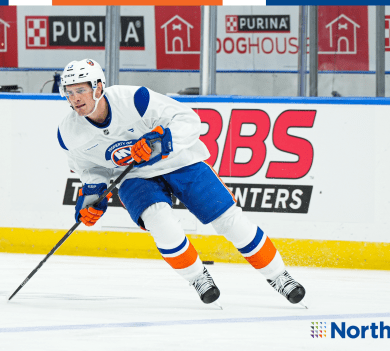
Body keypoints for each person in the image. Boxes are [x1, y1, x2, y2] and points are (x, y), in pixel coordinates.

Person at [57, 58, 306, 306]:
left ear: (98, 88)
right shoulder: (68, 132)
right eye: (69, 92)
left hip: (180, 160)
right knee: (159, 220)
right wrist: (93, 192)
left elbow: (188, 120)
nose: (75, 98)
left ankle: (279, 276)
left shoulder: (134, 99)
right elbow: (90, 167)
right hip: (134, 175)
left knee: (229, 219)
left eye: (81, 90)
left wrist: (161, 142)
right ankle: (198, 277)